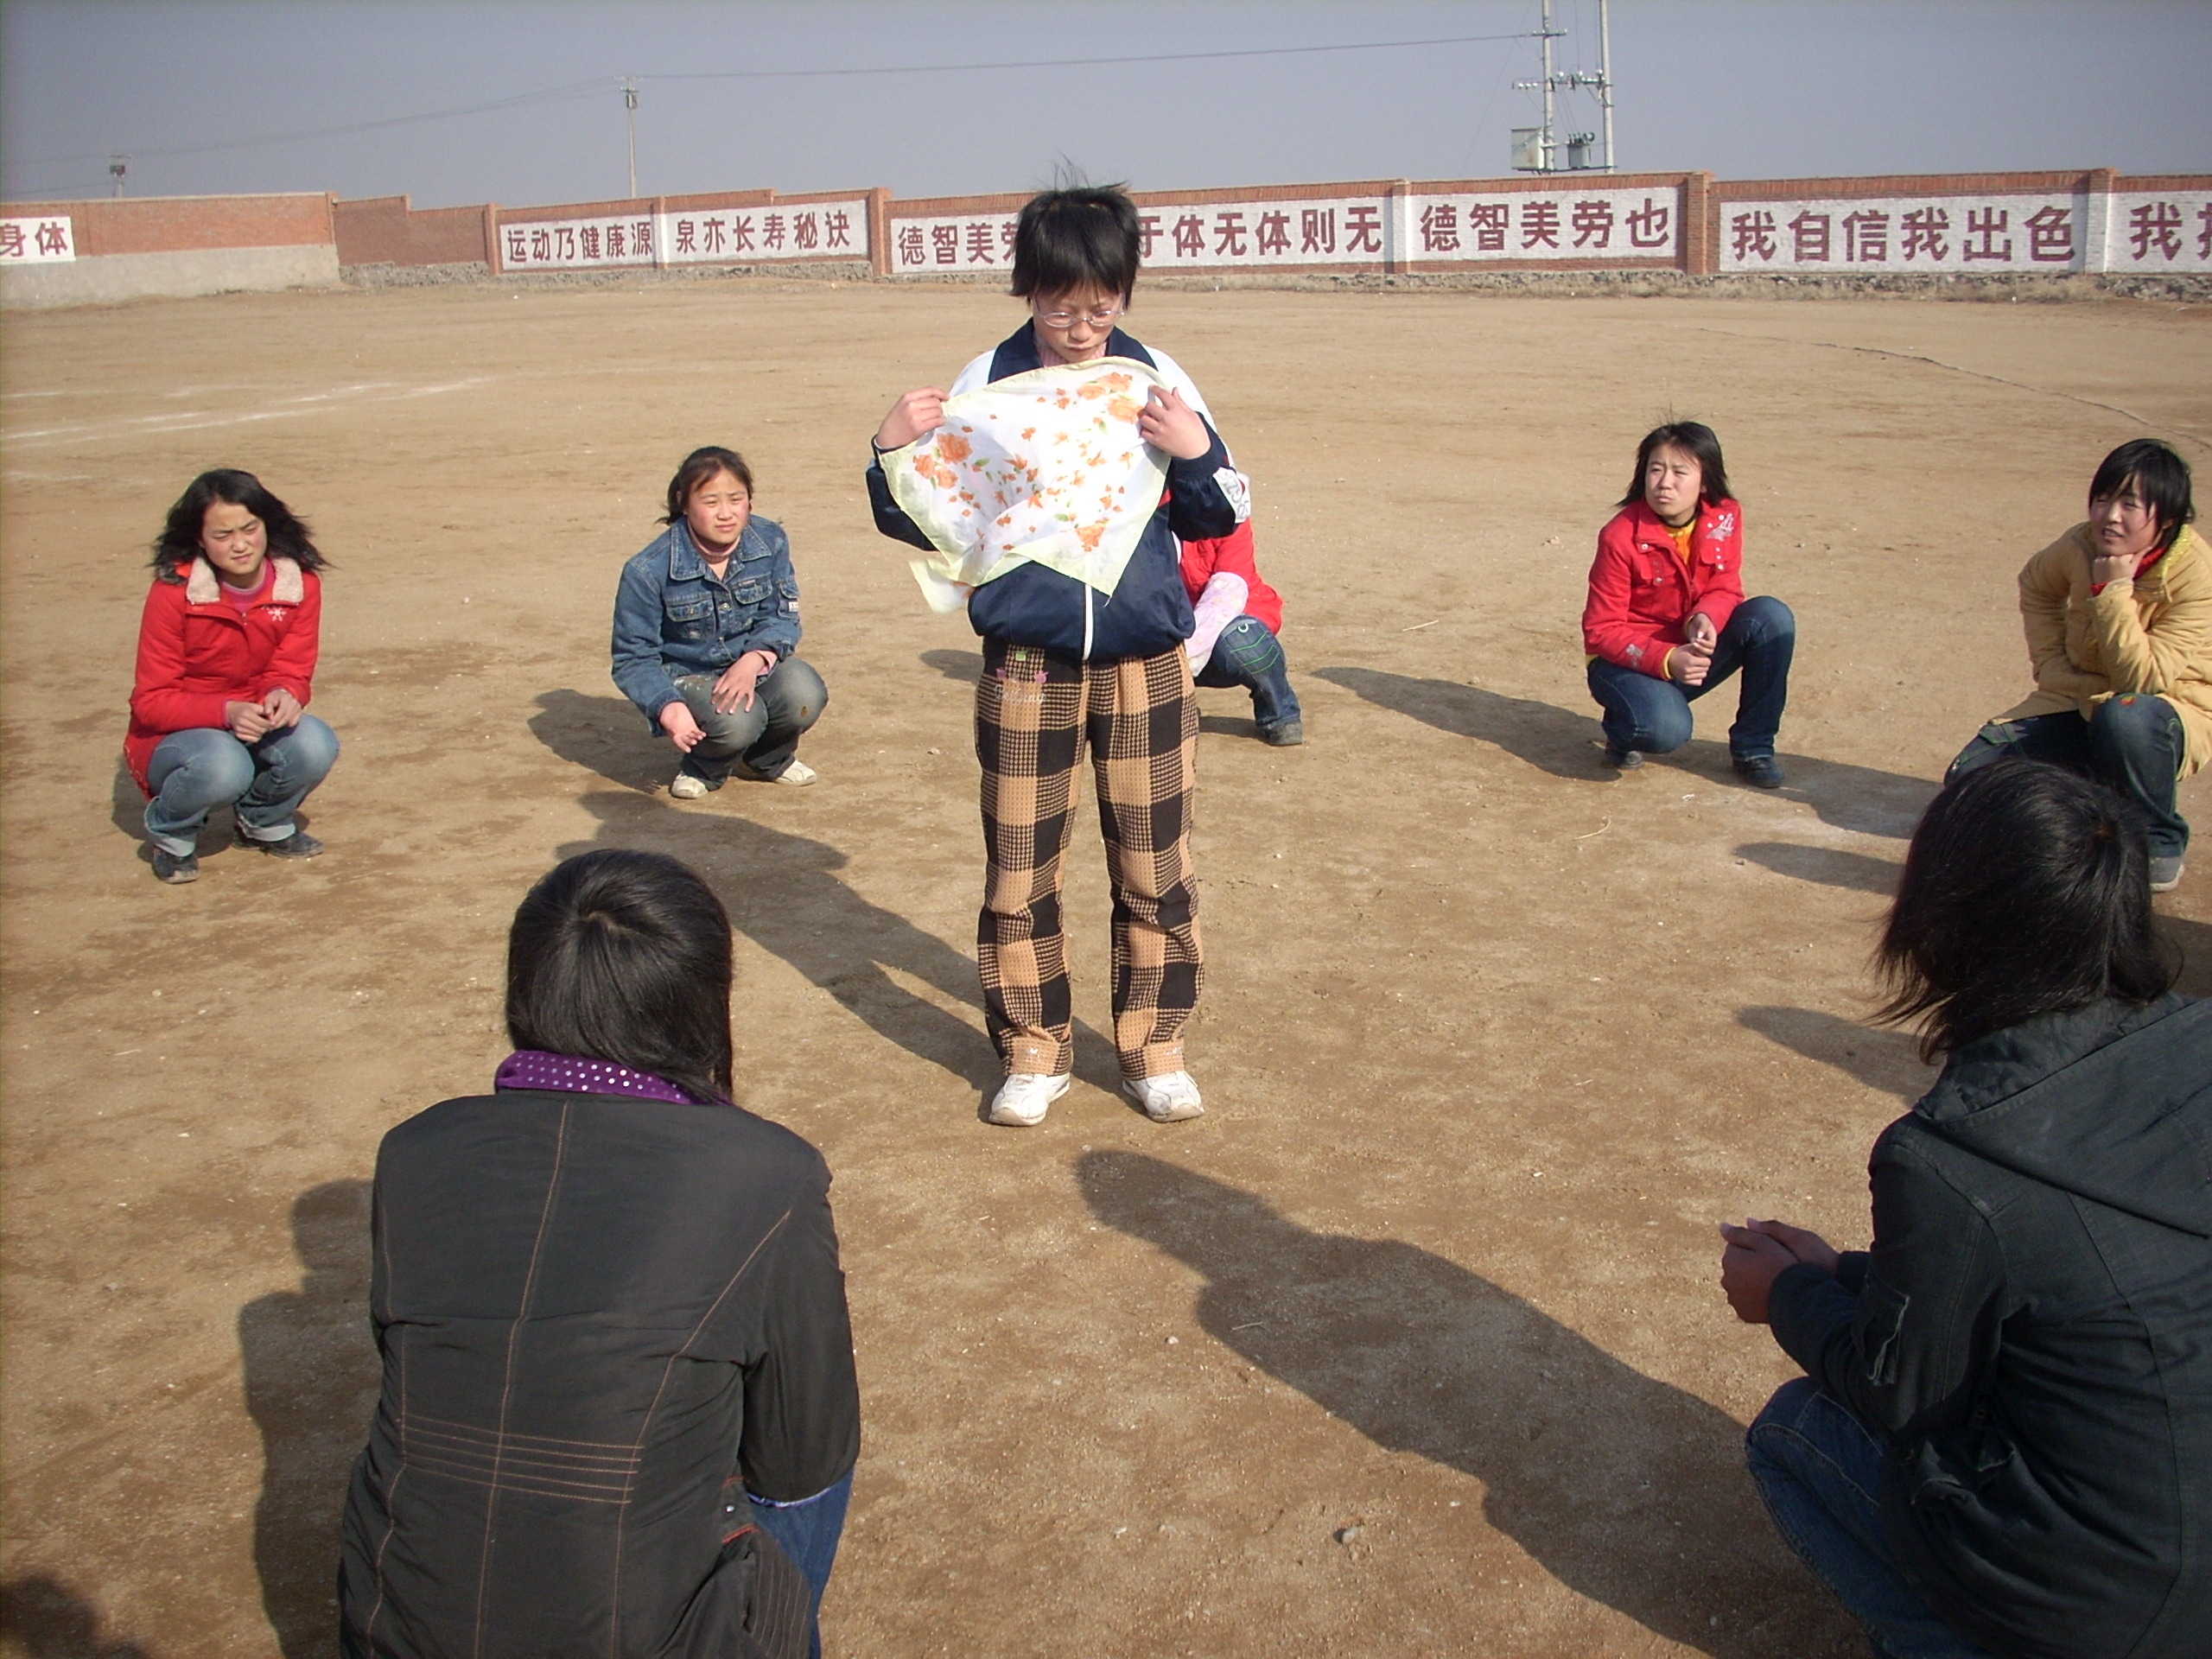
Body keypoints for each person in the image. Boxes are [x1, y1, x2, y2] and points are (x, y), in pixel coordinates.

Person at [1720, 760, 2211, 1659]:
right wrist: (1842, 1272)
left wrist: (1784, 1296)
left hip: (2106, 1607)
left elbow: (1903, 1393)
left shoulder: (1947, 1158)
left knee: (1797, 1431)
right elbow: (2074, 1285)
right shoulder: (2196, 1039)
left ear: (1941, 920)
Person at [339, 849, 861, 1659]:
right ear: (702, 998)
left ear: (525, 987)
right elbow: (800, 1460)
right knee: (804, 1462)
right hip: (643, 1632)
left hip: (393, 1625)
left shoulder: (412, 1151)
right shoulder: (766, 1173)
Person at [866, 183, 1249, 1128]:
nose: (1081, 329)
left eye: (1101, 308)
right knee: (1019, 866)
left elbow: (1219, 514)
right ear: (1026, 289)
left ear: (1126, 292)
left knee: (1155, 865)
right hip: (1026, 659)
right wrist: (887, 452)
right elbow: (930, 516)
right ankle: (1034, 1050)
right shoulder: (987, 380)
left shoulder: (1154, 375)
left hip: (1144, 655)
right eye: (1059, 307)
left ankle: (1156, 1047)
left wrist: (1194, 449)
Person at [1946, 438, 2210, 893]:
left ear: (2166, 519)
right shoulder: (2079, 544)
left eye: (2129, 505)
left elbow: (2142, 681)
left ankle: (2159, 840)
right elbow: (2036, 584)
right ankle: (2090, 801)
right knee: (1968, 782)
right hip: (2079, 699)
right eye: (2103, 499)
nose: (2110, 516)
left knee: (2125, 717)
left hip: (2163, 713)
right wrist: (2050, 664)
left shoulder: (2196, 576)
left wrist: (2112, 591)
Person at [125, 467, 340, 885]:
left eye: (249, 529)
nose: (240, 545)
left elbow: (292, 667)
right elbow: (151, 701)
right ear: (199, 539)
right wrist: (226, 711)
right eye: (223, 535)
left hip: (253, 722)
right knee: (224, 765)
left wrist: (286, 692)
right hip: (178, 735)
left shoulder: (299, 585)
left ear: (268, 524)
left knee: (316, 743)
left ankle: (262, 819)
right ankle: (172, 833)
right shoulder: (174, 592)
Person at [1581, 421, 1795, 787]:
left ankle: (1754, 748)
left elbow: (1726, 585)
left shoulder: (1724, 517)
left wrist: (1705, 617)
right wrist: (1667, 659)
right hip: (1625, 662)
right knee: (1664, 729)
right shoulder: (1620, 537)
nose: (1664, 483)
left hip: (1689, 648)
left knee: (1770, 618)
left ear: (1706, 481)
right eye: (1655, 469)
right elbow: (1600, 631)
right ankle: (1623, 727)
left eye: (1680, 472)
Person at [613, 446, 829, 798]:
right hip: (687, 675)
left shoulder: (770, 541)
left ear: (750, 501)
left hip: (750, 664)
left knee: (804, 692)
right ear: (684, 503)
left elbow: (782, 615)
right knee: (739, 720)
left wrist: (755, 659)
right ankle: (704, 768)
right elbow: (633, 658)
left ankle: (766, 760)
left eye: (736, 499)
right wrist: (668, 707)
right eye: (710, 502)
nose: (726, 514)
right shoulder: (647, 570)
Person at [1182, 519, 1302, 746]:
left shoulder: (1228, 517)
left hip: (1228, 617)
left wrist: (1183, 657)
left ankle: (1280, 712)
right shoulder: (1139, 517)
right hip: (1172, 625)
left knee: (1246, 641)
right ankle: (1174, 706)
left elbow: (1228, 594)